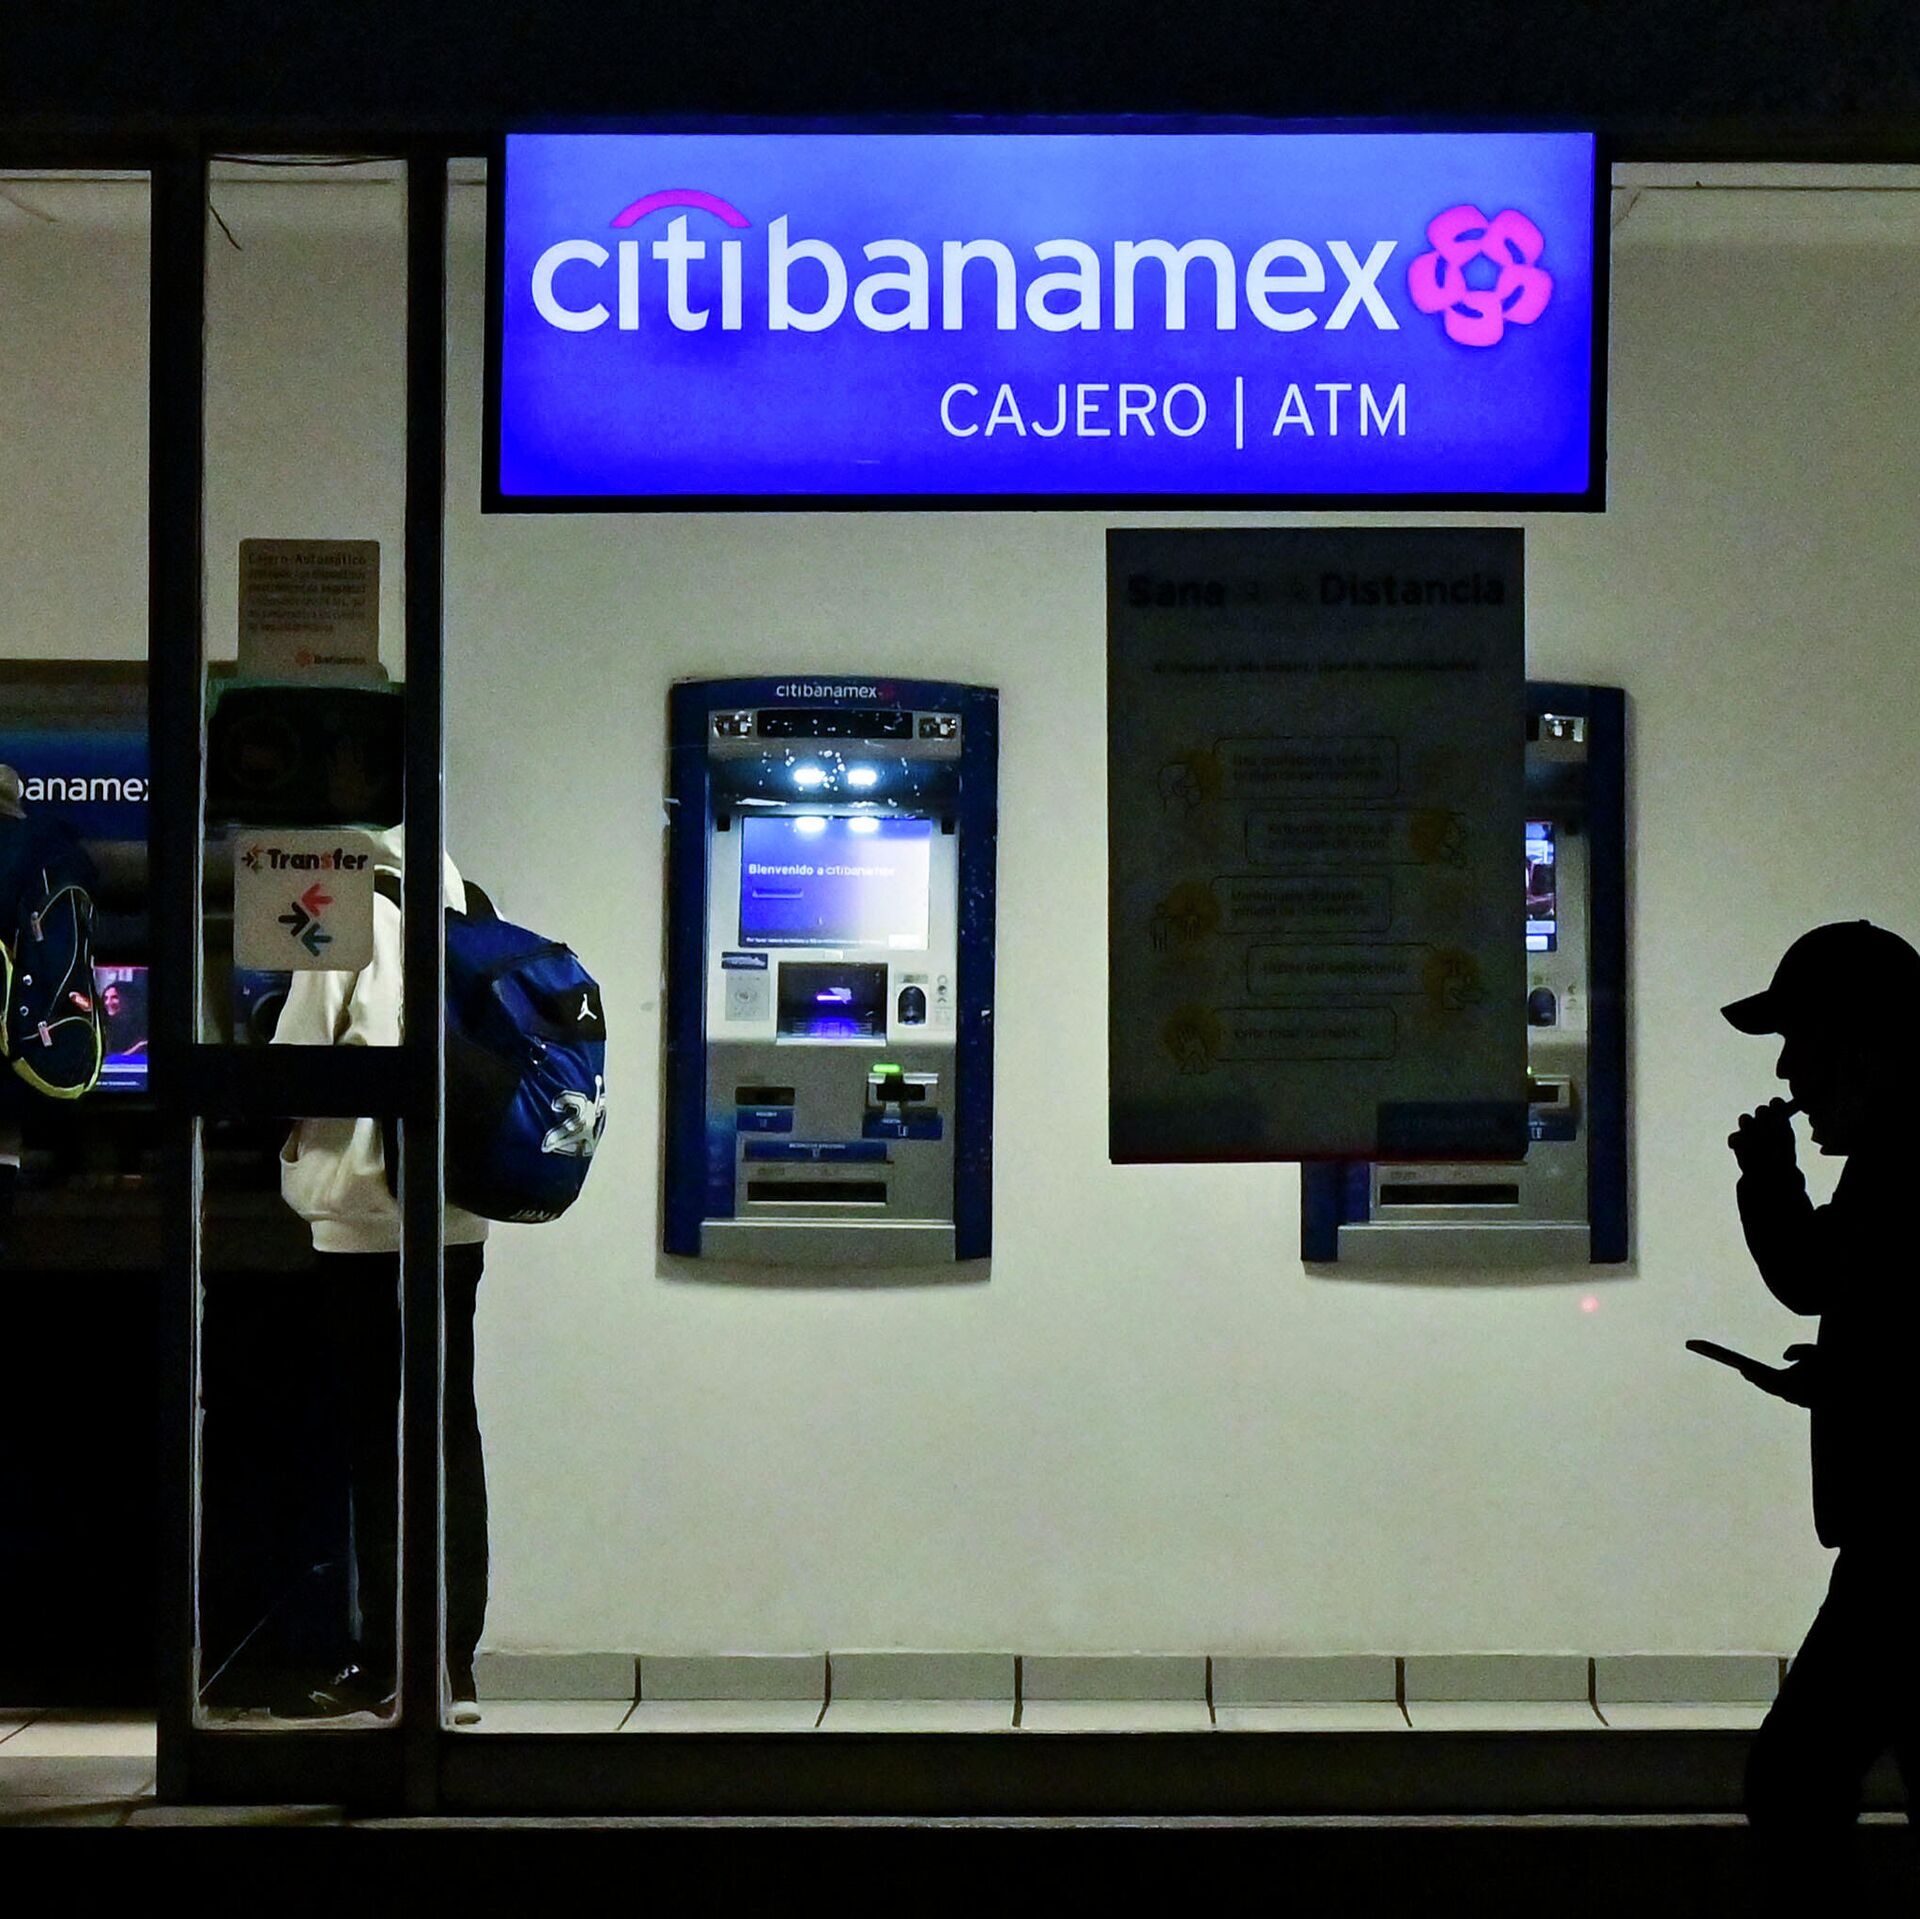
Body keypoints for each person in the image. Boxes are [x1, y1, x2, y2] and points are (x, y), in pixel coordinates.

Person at [272, 822, 489, 1724]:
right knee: (448, 1426)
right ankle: (453, 1666)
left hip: (362, 1213)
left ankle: (381, 1660)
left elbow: (297, 1057)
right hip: (455, 1208)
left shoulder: (344, 901)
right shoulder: (472, 901)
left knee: (373, 1437)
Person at [1721, 920, 1920, 1892]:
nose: (1788, 1071)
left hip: (1911, 1550)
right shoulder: (1896, 1151)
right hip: (1900, 1542)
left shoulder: (1905, 1158)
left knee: (1796, 1779)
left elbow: (1815, 1275)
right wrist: (1846, 1376)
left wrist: (1768, 1176)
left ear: (1861, 1042)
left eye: (1801, 1040)